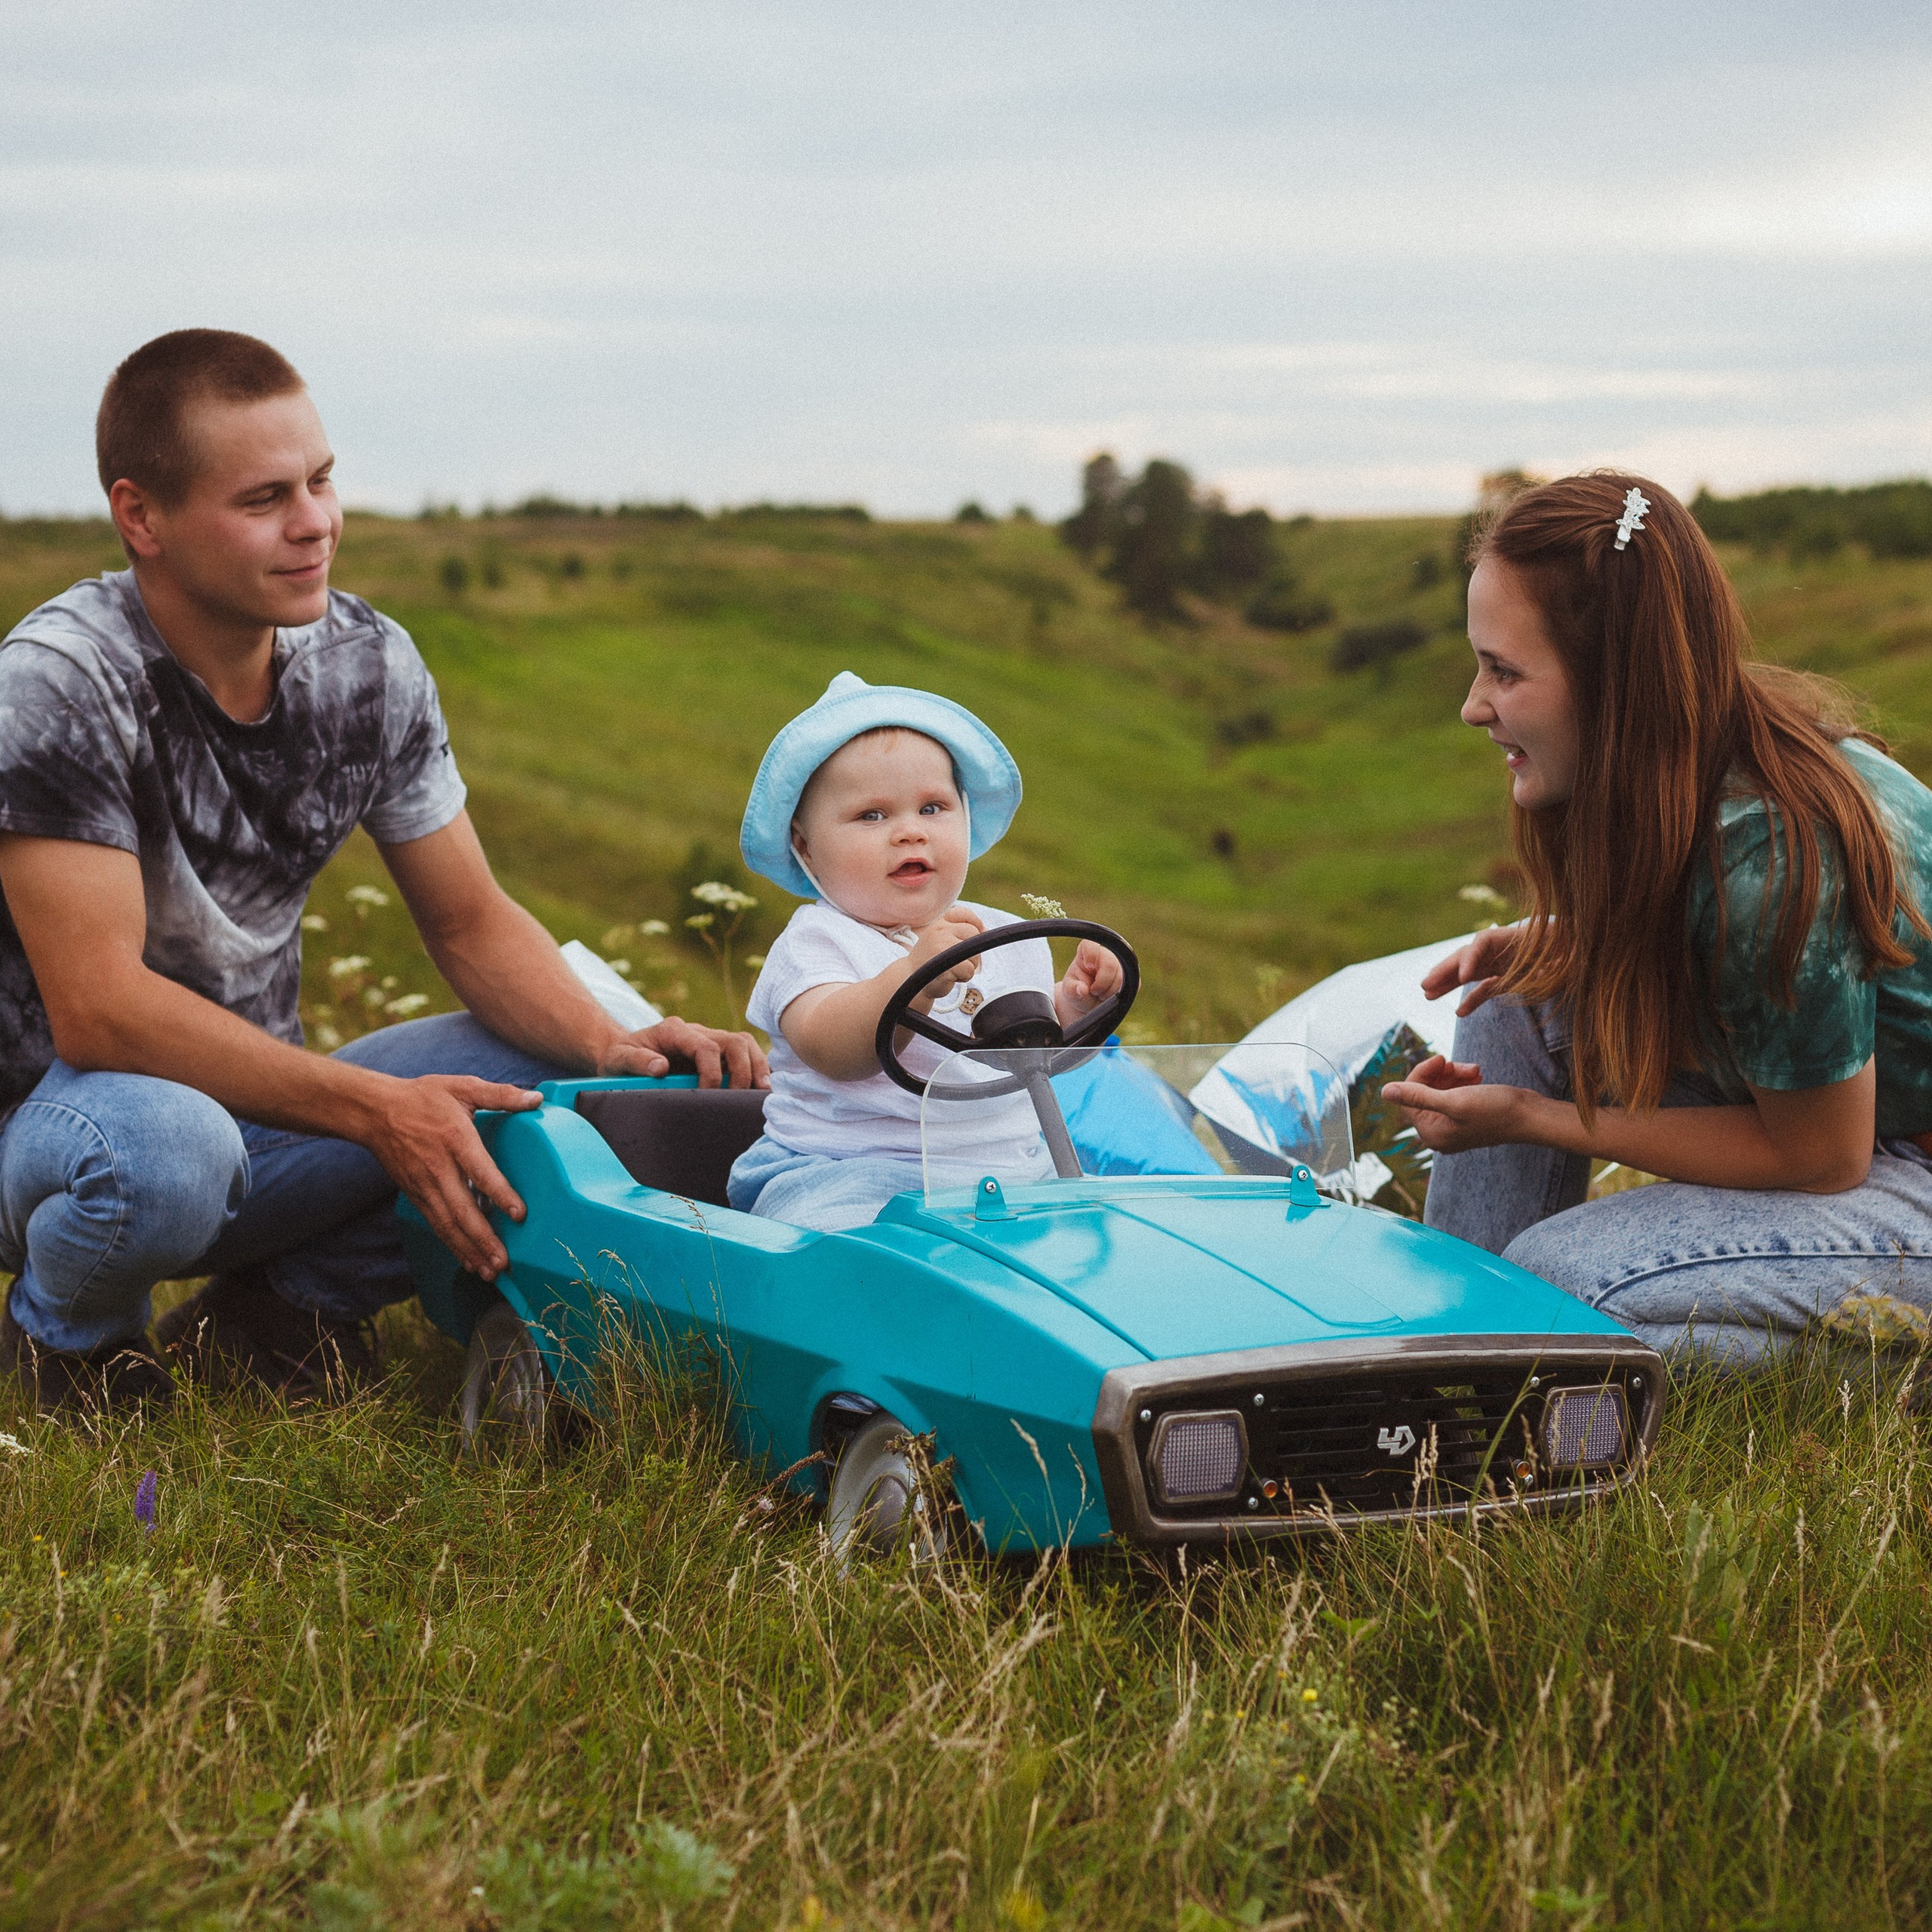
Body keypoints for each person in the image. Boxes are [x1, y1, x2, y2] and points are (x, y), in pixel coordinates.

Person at [0, 329, 764, 1414]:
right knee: (166, 1149)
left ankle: (278, 1317)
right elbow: (99, 1013)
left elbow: (470, 922)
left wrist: (614, 1042)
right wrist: (375, 1110)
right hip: (60, 1141)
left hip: (259, 1113)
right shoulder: (61, 682)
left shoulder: (369, 665)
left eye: (320, 480)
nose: (315, 523)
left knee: (574, 1077)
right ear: (142, 517)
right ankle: (64, 1342)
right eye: (265, 498)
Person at [1383, 472, 1932, 1367]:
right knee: (1510, 1002)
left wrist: (1530, 1114)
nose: (1472, 705)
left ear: (1614, 683)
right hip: (1868, 1129)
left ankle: (1888, 1366)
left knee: (1559, 1276)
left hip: (1895, 1158)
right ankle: (1449, 1363)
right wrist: (1578, 944)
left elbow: (1824, 1156)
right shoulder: (1692, 758)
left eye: (1504, 671)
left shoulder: (1765, 850)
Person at [727, 672, 1121, 1232]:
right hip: (850, 1170)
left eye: (933, 808)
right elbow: (833, 1045)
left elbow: (1030, 1050)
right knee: (850, 1246)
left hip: (1010, 1172)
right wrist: (912, 975)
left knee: (1097, 1227)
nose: (910, 832)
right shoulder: (816, 942)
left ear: (966, 816)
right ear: (805, 846)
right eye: (872, 815)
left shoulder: (1001, 933)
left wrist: (1078, 1008)